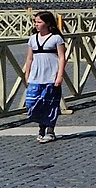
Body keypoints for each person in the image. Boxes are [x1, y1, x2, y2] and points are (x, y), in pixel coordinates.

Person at [24, 10, 65, 142]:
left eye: (39, 22)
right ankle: (41, 125)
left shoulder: (56, 38)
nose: (36, 24)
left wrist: (59, 76)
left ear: (47, 23)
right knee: (32, 103)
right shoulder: (32, 39)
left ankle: (49, 130)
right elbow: (29, 58)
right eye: (35, 22)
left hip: (50, 76)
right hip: (35, 76)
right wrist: (27, 73)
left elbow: (61, 58)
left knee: (50, 104)